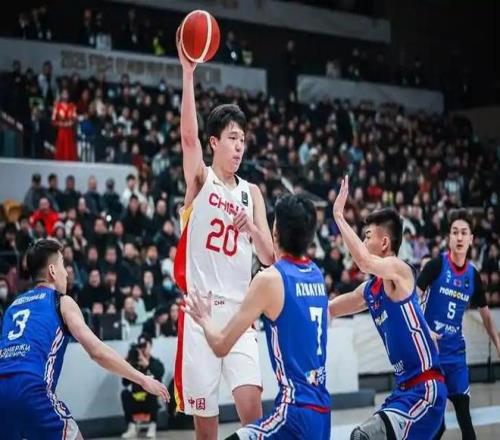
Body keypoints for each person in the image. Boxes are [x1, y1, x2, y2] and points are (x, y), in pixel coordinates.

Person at [173, 27, 274, 439]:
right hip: (200, 313)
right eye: (232, 138)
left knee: (254, 416)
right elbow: (187, 137)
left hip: (240, 313)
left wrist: (252, 228)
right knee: (206, 431)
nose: (239, 146)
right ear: (214, 142)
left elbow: (269, 257)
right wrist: (188, 74)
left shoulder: (253, 193)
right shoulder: (200, 180)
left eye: (243, 140)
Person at [185, 194, 330, 439]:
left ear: (275, 232)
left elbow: (220, 345)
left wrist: (205, 319)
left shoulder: (269, 280)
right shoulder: (316, 274)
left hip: (293, 414)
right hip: (322, 412)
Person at [0, 239, 169, 439]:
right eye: (63, 265)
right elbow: (97, 351)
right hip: (31, 389)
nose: (66, 273)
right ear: (52, 271)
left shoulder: (13, 306)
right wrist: (142, 379)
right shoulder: (61, 302)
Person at [329, 176, 447, 439]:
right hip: (403, 391)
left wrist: (338, 216)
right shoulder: (370, 290)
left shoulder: (399, 270)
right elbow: (329, 309)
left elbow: (363, 261)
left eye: (367, 236)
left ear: (384, 243)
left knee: (363, 436)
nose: (362, 242)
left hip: (425, 389)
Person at [417, 208, 500, 439]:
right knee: (438, 426)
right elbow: (411, 301)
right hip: (432, 356)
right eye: (455, 232)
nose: (459, 237)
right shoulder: (435, 266)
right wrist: (424, 329)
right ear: (449, 237)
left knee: (466, 421)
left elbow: (486, 317)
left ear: (471, 238)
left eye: (464, 232)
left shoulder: (473, 276)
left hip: (455, 356)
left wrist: (498, 343)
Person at [121, 333, 165, 439]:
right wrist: (126, 366)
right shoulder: (134, 364)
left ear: (151, 345)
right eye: (140, 346)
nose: (142, 349)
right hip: (136, 399)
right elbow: (125, 383)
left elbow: (159, 375)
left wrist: (147, 366)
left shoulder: (156, 363)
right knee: (125, 394)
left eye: (145, 345)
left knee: (153, 392)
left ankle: (152, 426)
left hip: (150, 400)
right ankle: (131, 426)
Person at [52, 88, 77, 161]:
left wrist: (70, 123)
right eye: (64, 93)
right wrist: (62, 124)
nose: (65, 95)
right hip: (61, 132)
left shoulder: (72, 106)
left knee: (69, 151)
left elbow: (75, 119)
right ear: (61, 95)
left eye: (66, 93)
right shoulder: (57, 106)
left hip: (69, 132)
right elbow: (53, 121)